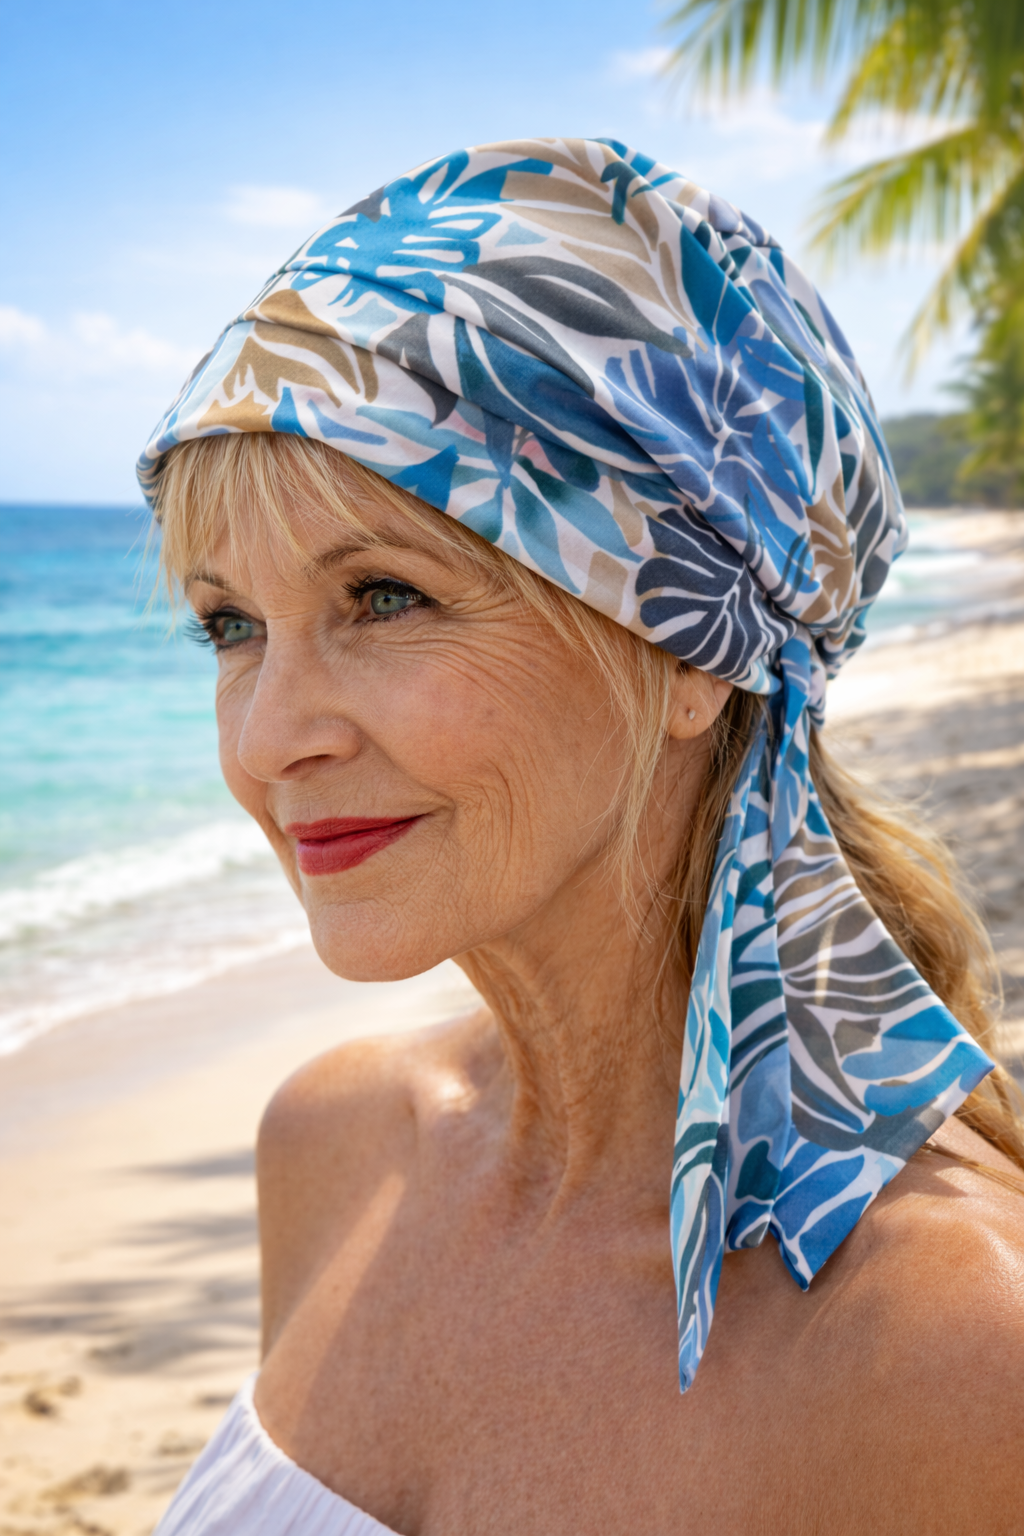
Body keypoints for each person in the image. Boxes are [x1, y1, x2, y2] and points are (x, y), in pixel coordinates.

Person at [143, 139, 1024, 1535]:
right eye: (231, 627)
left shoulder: (952, 1347)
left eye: (384, 597)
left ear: (690, 647)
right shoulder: (333, 1145)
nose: (266, 741)